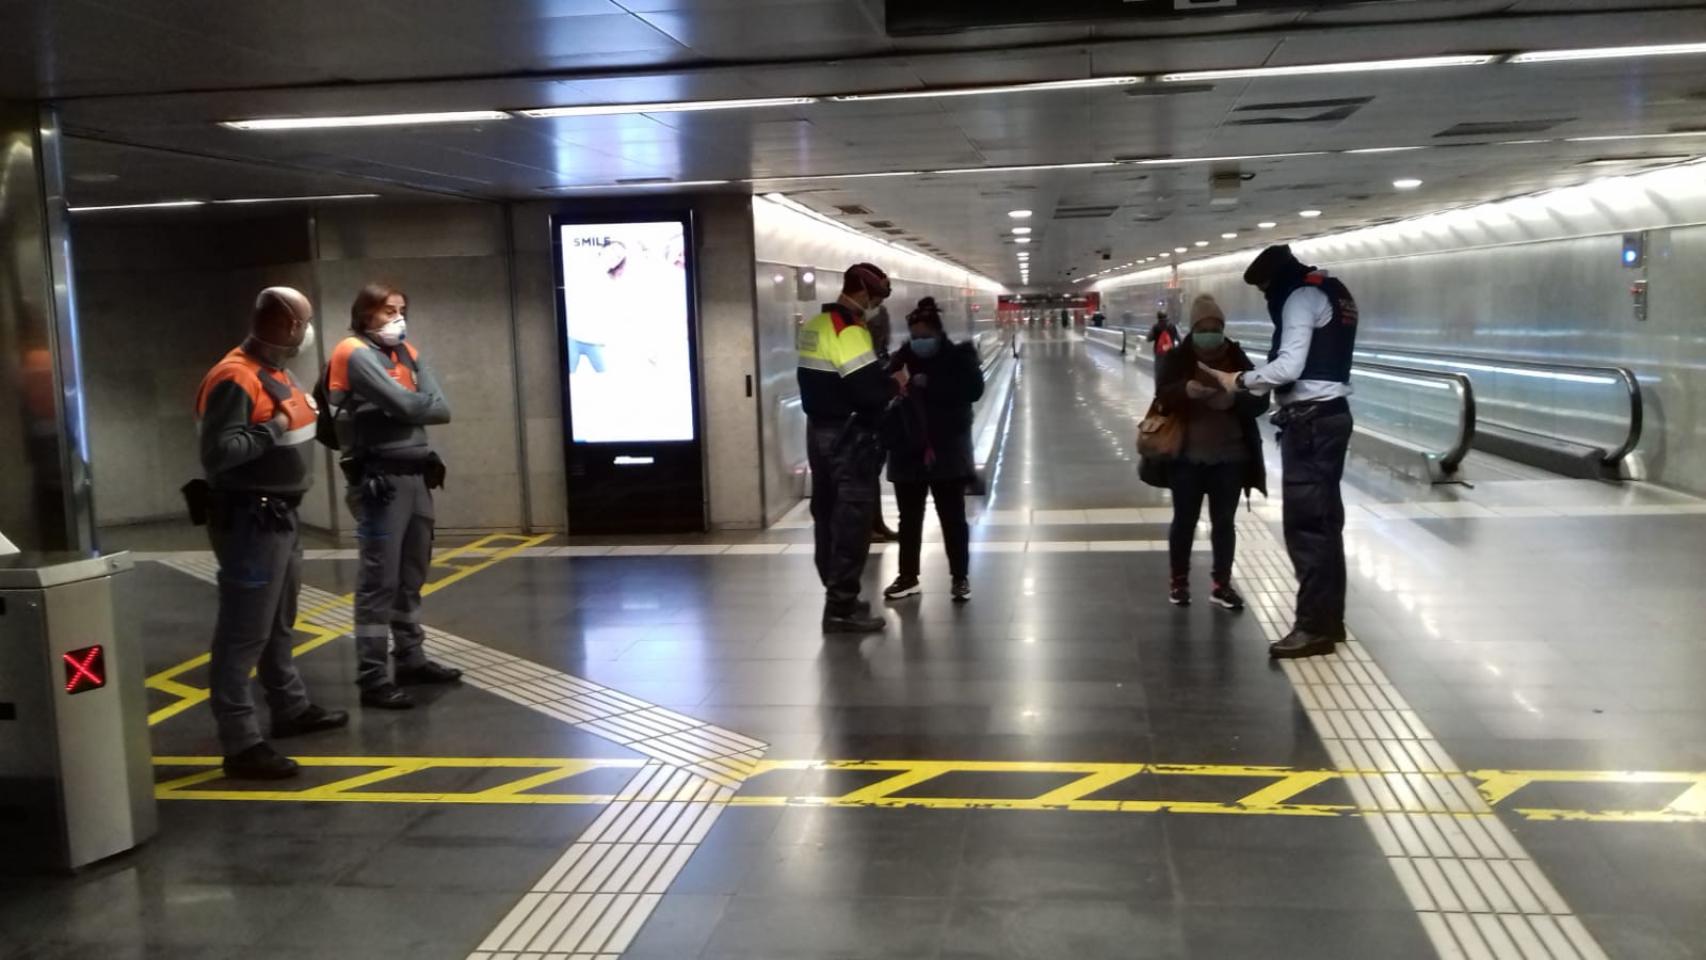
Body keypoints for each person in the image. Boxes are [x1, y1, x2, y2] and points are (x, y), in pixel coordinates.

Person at [192, 287, 348, 779]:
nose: (309, 330)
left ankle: (290, 707)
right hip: (249, 519)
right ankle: (240, 743)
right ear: (286, 325)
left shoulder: (276, 371)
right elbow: (219, 454)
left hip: (280, 515)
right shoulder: (234, 377)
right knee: (243, 635)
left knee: (278, 624)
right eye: (305, 321)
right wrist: (277, 426)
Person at [1198, 245, 1358, 659]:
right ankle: (1330, 621)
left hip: (1311, 422)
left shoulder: (1300, 297)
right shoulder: (1333, 290)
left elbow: (1288, 368)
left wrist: (1238, 379)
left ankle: (1312, 629)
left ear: (1274, 280)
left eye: (1266, 288)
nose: (1268, 296)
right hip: (1331, 416)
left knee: (1306, 527)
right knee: (1325, 525)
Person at [322, 283, 463, 706]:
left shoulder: (406, 353)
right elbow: (411, 407)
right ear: (365, 314)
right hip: (379, 483)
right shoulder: (353, 353)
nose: (397, 318)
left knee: (411, 577)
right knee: (378, 582)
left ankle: (410, 658)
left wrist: (410, 402)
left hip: (416, 479)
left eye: (401, 309)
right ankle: (371, 677)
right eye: (387, 311)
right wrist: (410, 402)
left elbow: (443, 408)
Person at [797, 262, 906, 633]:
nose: (875, 303)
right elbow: (868, 393)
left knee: (826, 514)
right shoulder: (849, 331)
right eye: (876, 296)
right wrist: (895, 383)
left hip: (818, 434)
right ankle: (841, 607)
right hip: (848, 438)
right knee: (853, 519)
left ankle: (836, 595)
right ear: (862, 291)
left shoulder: (815, 325)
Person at [1147, 295, 1268, 611]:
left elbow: (1260, 401)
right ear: (1194, 328)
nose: (1210, 332)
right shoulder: (1177, 359)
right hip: (1186, 456)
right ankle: (1179, 582)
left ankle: (1221, 584)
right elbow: (1162, 398)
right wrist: (1185, 391)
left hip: (1230, 457)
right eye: (1204, 327)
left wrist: (1234, 400)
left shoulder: (1237, 359)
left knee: (1224, 522)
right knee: (1184, 520)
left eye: (1216, 327)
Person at [881, 298, 984, 603]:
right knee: (909, 518)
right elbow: (884, 391)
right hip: (907, 449)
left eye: (925, 336)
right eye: (915, 336)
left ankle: (960, 577)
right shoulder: (900, 359)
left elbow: (974, 391)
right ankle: (908, 576)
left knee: (952, 516)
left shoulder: (959, 358)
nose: (919, 342)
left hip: (947, 450)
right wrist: (897, 385)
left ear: (939, 334)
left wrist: (930, 384)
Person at [865, 304, 898, 543]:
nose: (882, 331)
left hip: (880, 419)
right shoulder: (864, 351)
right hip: (865, 421)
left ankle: (877, 523)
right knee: (865, 476)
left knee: (872, 475)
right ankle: (868, 526)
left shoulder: (881, 352)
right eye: (878, 326)